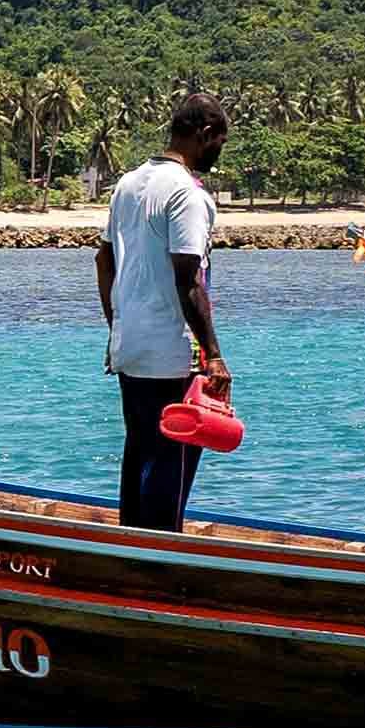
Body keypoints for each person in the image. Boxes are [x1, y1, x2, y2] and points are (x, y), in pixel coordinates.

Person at [99, 94, 231, 530]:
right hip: (171, 350)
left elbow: (104, 261)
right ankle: (160, 558)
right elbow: (188, 278)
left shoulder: (129, 182)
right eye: (219, 143)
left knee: (139, 450)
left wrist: (117, 326)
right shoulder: (187, 194)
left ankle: (131, 549)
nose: (218, 153)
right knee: (171, 460)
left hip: (130, 343)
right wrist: (213, 353)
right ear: (204, 134)